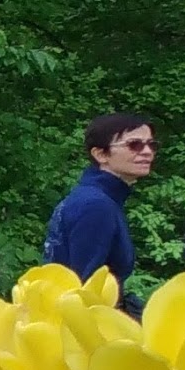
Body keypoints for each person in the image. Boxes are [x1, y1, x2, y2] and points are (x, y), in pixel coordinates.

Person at [48, 113, 155, 296]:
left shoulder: (95, 198)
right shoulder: (96, 205)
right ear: (100, 154)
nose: (147, 151)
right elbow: (84, 286)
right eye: (134, 145)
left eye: (152, 145)